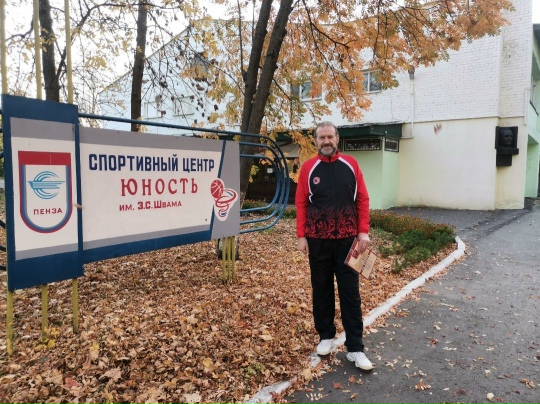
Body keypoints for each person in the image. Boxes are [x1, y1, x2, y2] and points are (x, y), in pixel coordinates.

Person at [295, 121, 373, 372]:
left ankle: (355, 348)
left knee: (350, 293)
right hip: (318, 240)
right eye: (321, 137)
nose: (326, 141)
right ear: (316, 141)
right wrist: (301, 236)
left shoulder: (351, 164)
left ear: (337, 139)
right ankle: (326, 336)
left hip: (349, 242)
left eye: (330, 136)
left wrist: (363, 232)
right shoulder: (308, 168)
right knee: (321, 289)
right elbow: (301, 203)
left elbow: (362, 199)